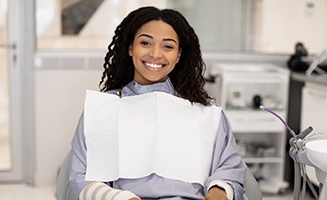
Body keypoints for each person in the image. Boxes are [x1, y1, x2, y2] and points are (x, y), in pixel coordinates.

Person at [68, 6, 248, 200]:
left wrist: (218, 192)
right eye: (145, 43)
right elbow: (81, 176)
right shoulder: (103, 109)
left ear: (178, 55)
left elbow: (229, 165)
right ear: (130, 48)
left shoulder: (204, 111)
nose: (155, 54)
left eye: (168, 46)